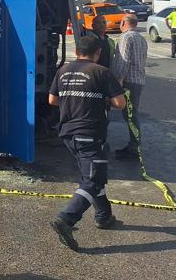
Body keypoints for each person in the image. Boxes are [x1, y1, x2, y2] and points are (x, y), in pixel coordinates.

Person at [49, 36, 127, 251]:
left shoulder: (63, 70)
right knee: (93, 179)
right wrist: (108, 94)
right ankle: (66, 218)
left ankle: (104, 215)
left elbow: (53, 100)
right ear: (98, 52)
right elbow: (120, 103)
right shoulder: (101, 72)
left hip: (69, 134)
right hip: (90, 134)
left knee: (91, 175)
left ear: (77, 51)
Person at [111, 14, 148, 160]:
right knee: (132, 114)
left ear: (123, 23)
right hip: (138, 80)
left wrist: (117, 80)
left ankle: (134, 147)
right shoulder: (141, 38)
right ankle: (134, 144)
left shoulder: (126, 37)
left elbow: (123, 60)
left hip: (128, 82)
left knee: (130, 115)